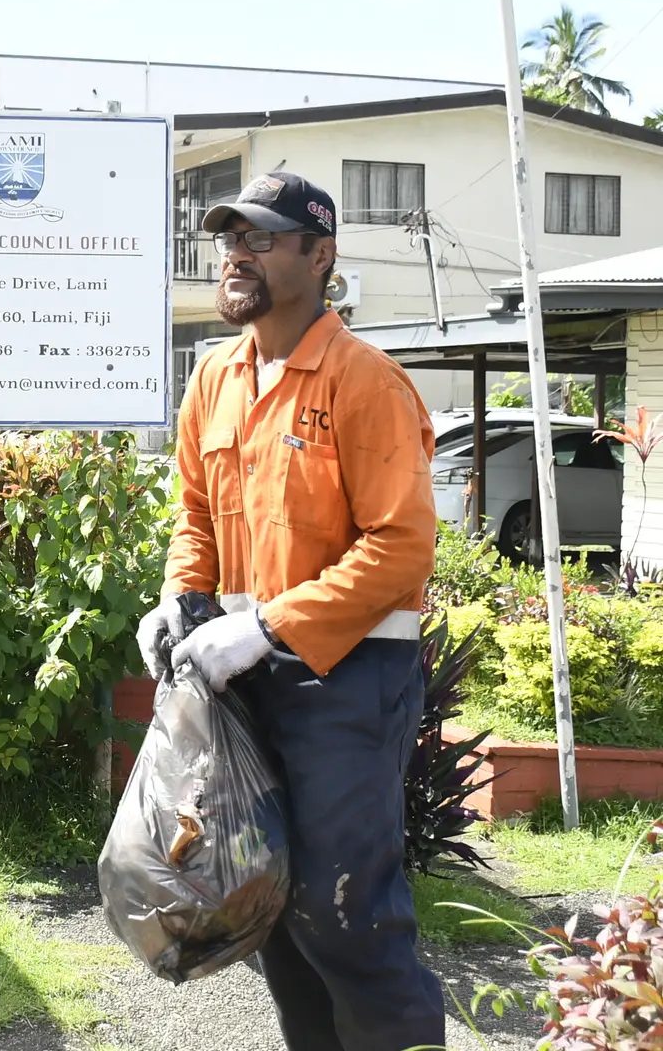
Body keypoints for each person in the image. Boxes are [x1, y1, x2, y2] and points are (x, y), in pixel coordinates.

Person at [138, 172, 442, 1051]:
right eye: (231, 238)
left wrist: (268, 626)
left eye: (263, 238)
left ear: (320, 255)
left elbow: (399, 550)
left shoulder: (365, 383)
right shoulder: (215, 377)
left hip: (348, 680)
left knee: (348, 916)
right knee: (273, 908)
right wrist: (179, 600)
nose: (238, 253)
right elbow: (196, 515)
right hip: (247, 681)